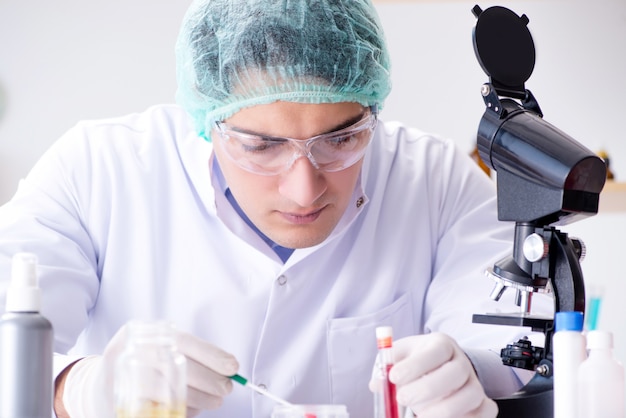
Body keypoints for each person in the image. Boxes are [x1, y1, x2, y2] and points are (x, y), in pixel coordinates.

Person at [0, 0, 550, 417]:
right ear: (206, 121)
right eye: (261, 146)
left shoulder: (437, 181)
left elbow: (506, 344)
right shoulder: (97, 169)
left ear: (372, 107)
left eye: (341, 139)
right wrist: (78, 387)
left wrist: (465, 375)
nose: (303, 190)